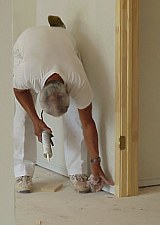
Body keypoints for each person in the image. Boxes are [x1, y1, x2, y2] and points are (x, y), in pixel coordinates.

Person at [13, 15, 113, 194]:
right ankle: (23, 173)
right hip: (28, 43)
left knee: (76, 115)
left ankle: (78, 171)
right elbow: (18, 90)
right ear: (40, 88)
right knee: (23, 114)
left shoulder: (78, 81)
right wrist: (36, 120)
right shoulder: (28, 72)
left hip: (64, 44)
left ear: (67, 90)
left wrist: (96, 163)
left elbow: (88, 123)